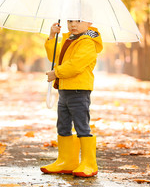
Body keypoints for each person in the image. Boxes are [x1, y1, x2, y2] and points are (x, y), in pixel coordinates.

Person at [40, 19, 103, 177]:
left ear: (89, 22)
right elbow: (54, 56)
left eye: (78, 21)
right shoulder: (69, 39)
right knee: (63, 125)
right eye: (70, 21)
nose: (73, 25)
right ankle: (66, 161)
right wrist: (52, 36)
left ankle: (89, 163)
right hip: (64, 89)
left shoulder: (88, 42)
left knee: (81, 125)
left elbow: (76, 65)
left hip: (79, 89)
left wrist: (56, 73)